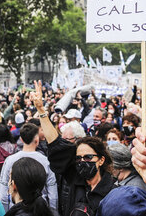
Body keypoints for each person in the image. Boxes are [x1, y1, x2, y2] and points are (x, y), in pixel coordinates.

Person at [32, 81, 115, 216]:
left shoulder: (112, 191)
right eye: (78, 158)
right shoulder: (76, 178)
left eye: (88, 157)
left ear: (101, 160)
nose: (82, 161)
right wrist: (41, 110)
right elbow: (55, 144)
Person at [0, 123, 57, 212]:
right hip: (40, 210)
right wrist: (53, 211)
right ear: (37, 139)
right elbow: (53, 194)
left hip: (16, 208)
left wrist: (6, 212)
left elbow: (3, 194)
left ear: (21, 139)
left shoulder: (10, 160)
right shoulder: (46, 161)